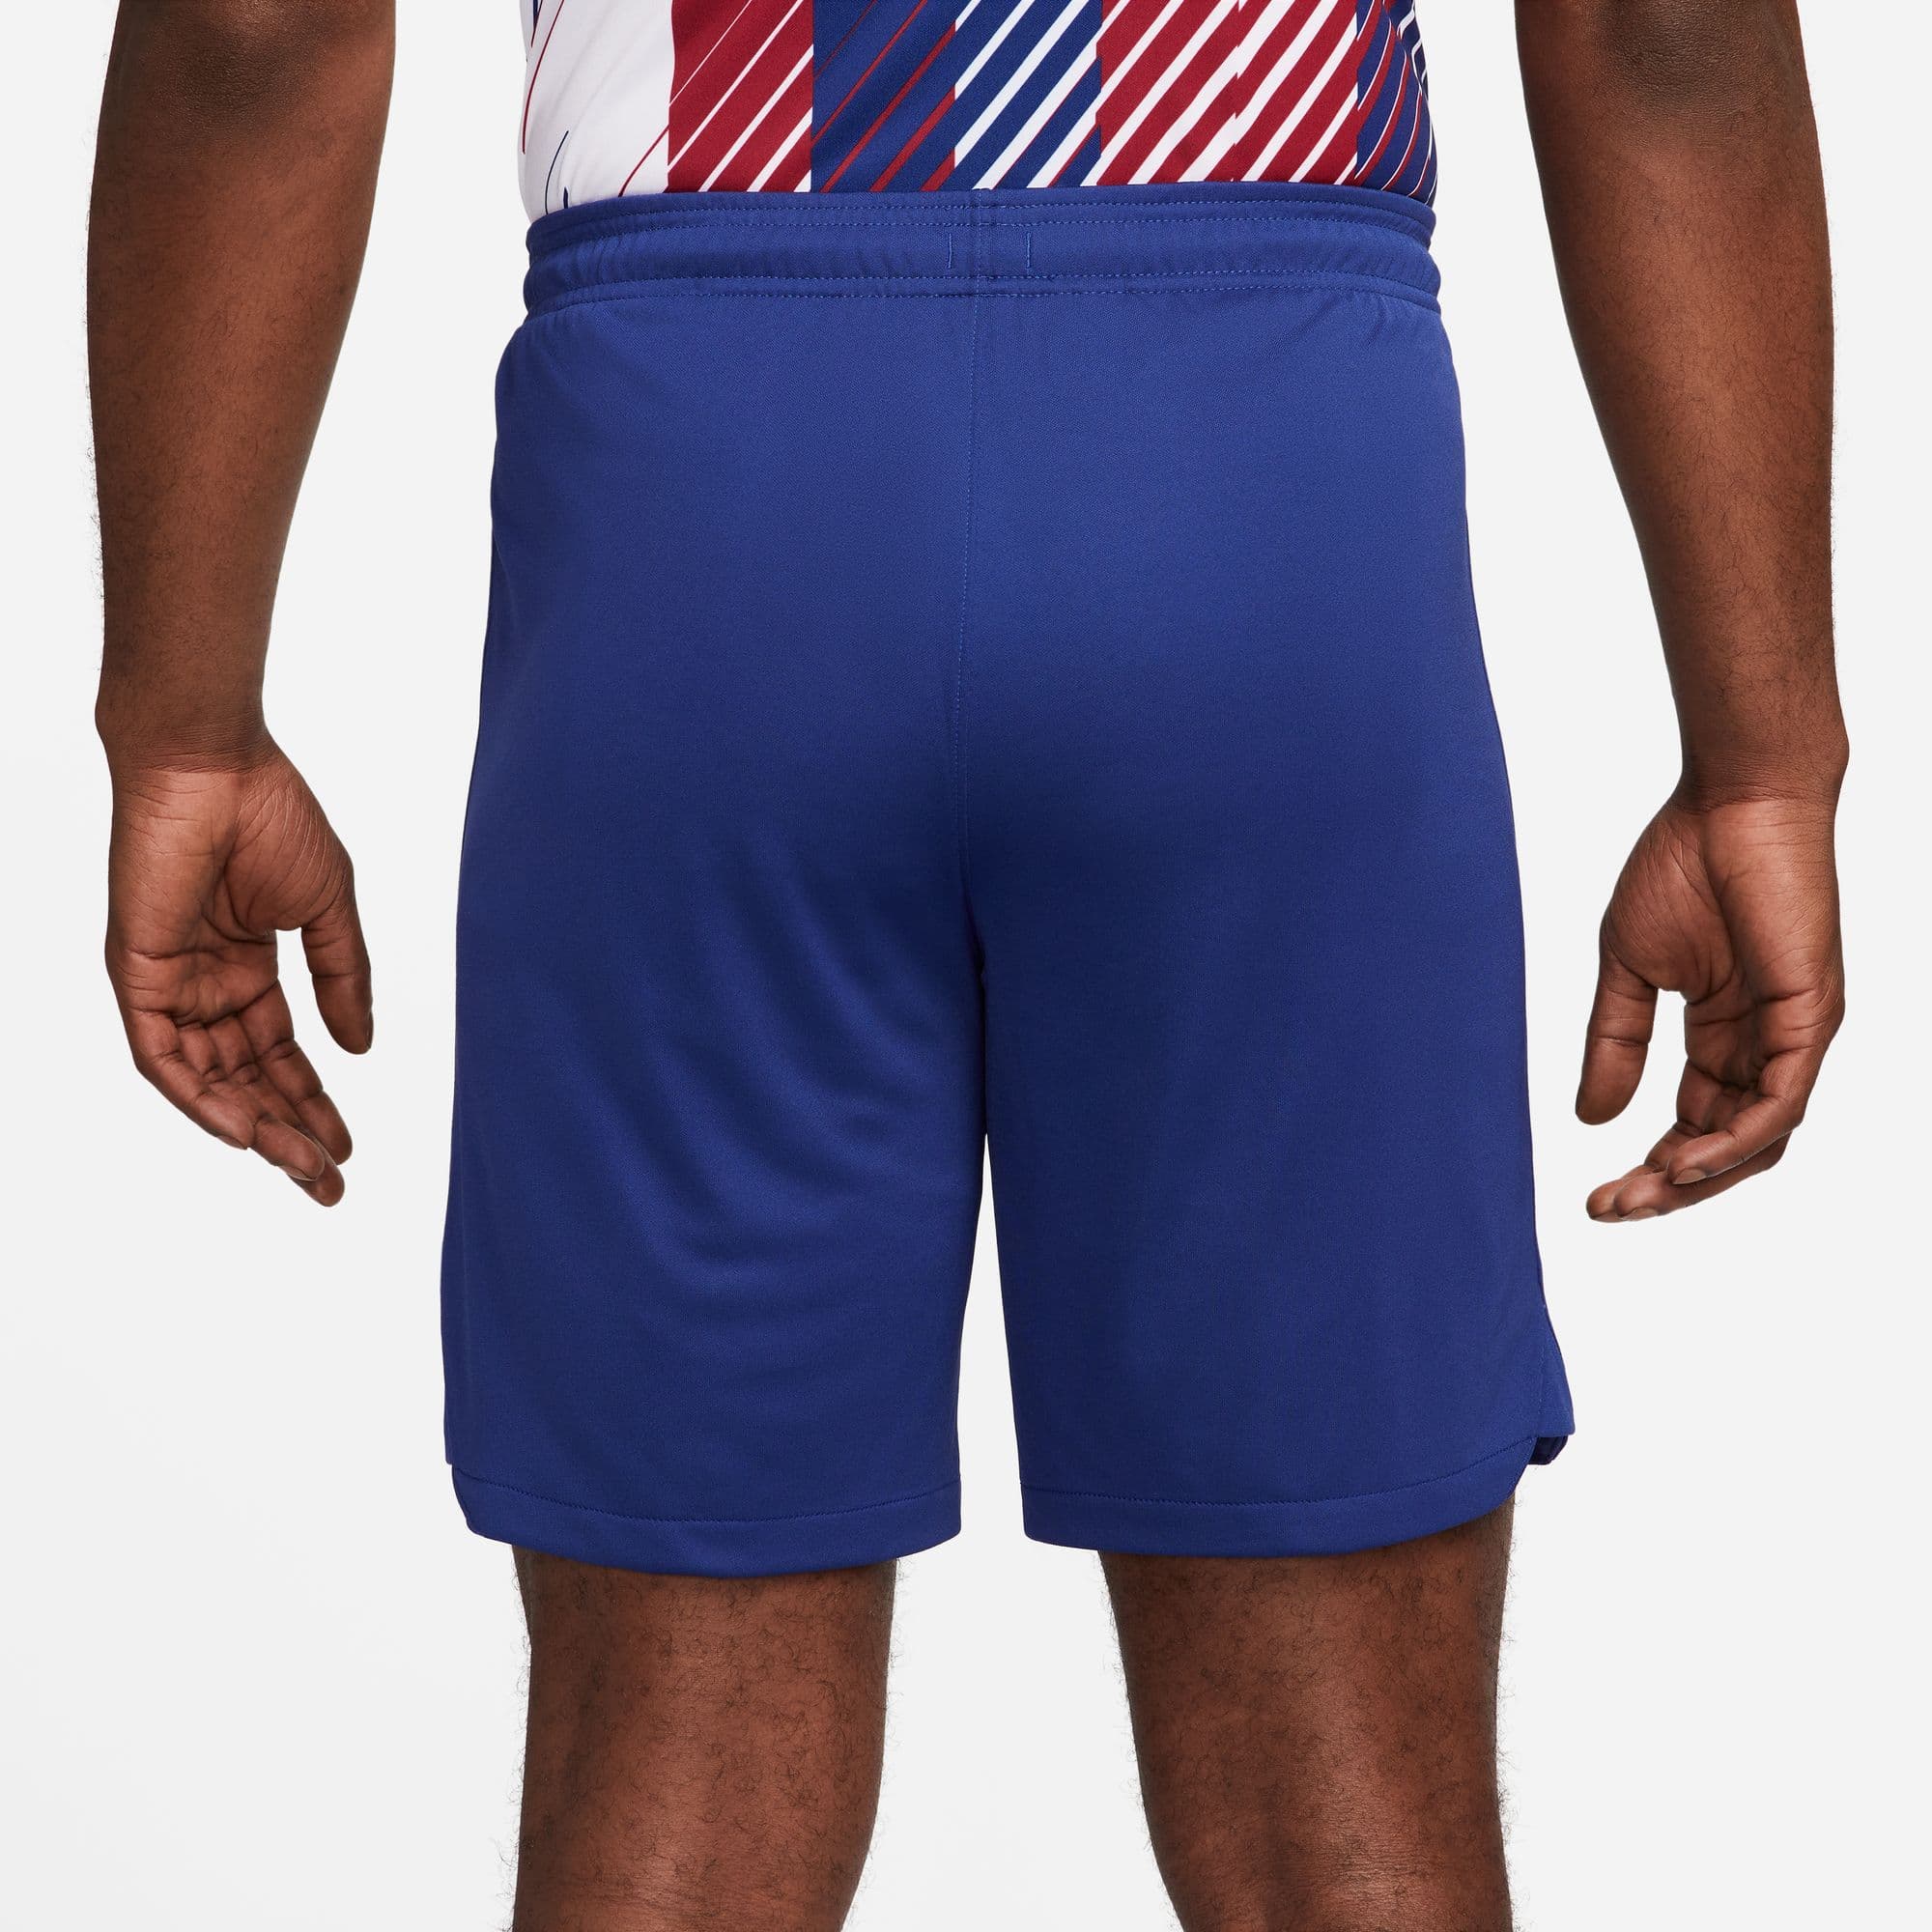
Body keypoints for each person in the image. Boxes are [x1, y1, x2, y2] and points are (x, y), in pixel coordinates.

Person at [88, 2, 1845, 1925]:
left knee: (672, 1798)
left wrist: (183, 725)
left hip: (706, 504)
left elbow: (256, 27)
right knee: (1342, 1815)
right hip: (1259, 473)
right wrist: (1760, 755)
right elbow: (1660, 26)